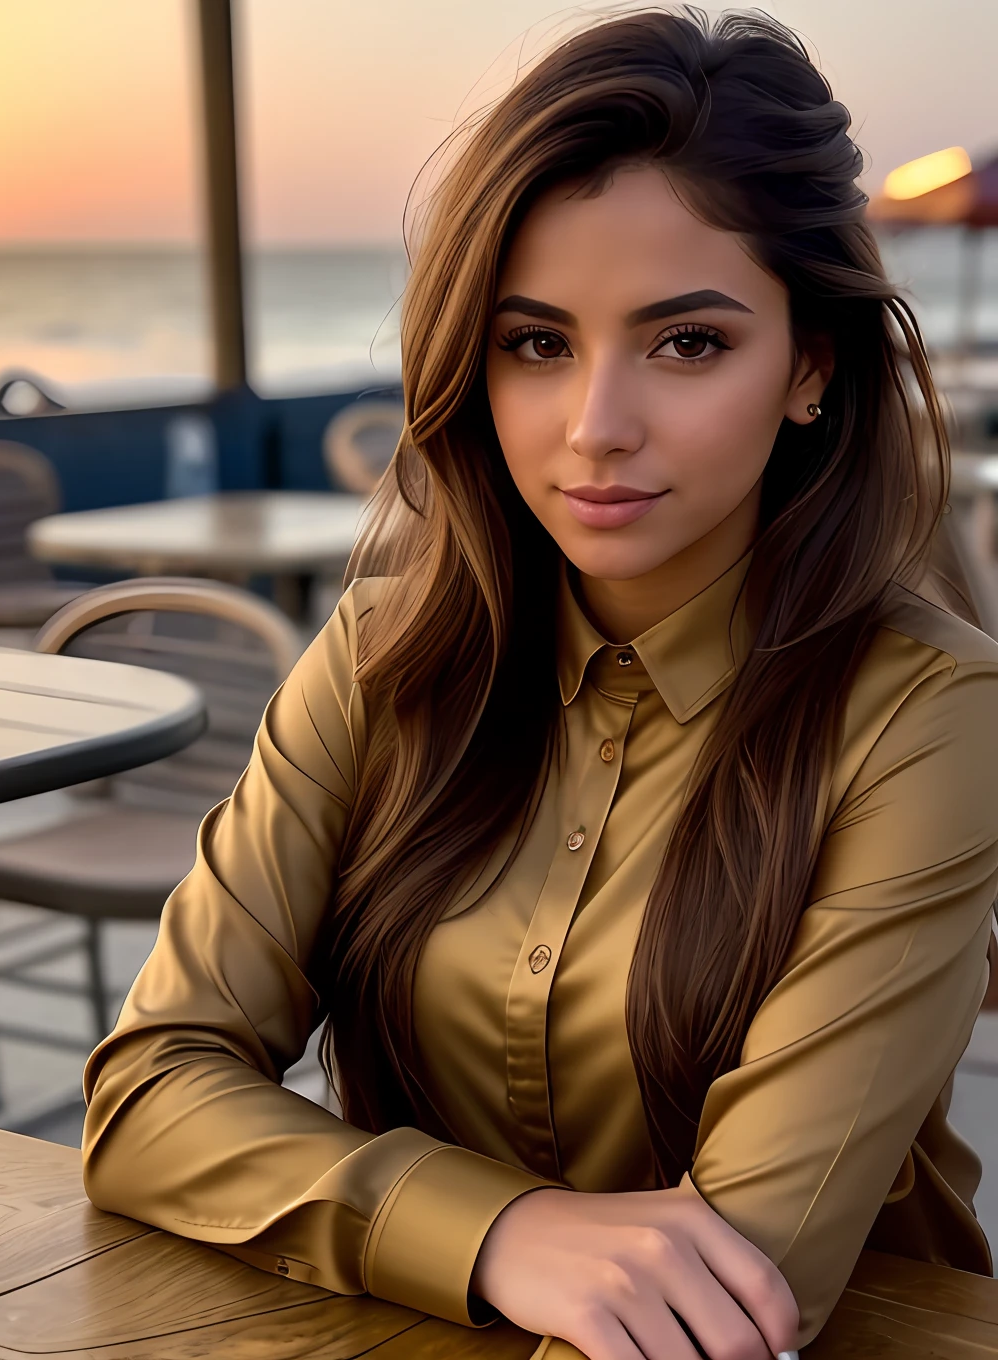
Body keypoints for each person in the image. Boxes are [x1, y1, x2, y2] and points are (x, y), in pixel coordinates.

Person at [81, 9, 998, 1360]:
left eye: (687, 343)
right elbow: (148, 1088)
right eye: (536, 342)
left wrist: (397, 1214)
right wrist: (498, 1231)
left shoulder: (929, 715)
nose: (596, 428)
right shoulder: (386, 654)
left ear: (810, 364)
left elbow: (731, 1295)